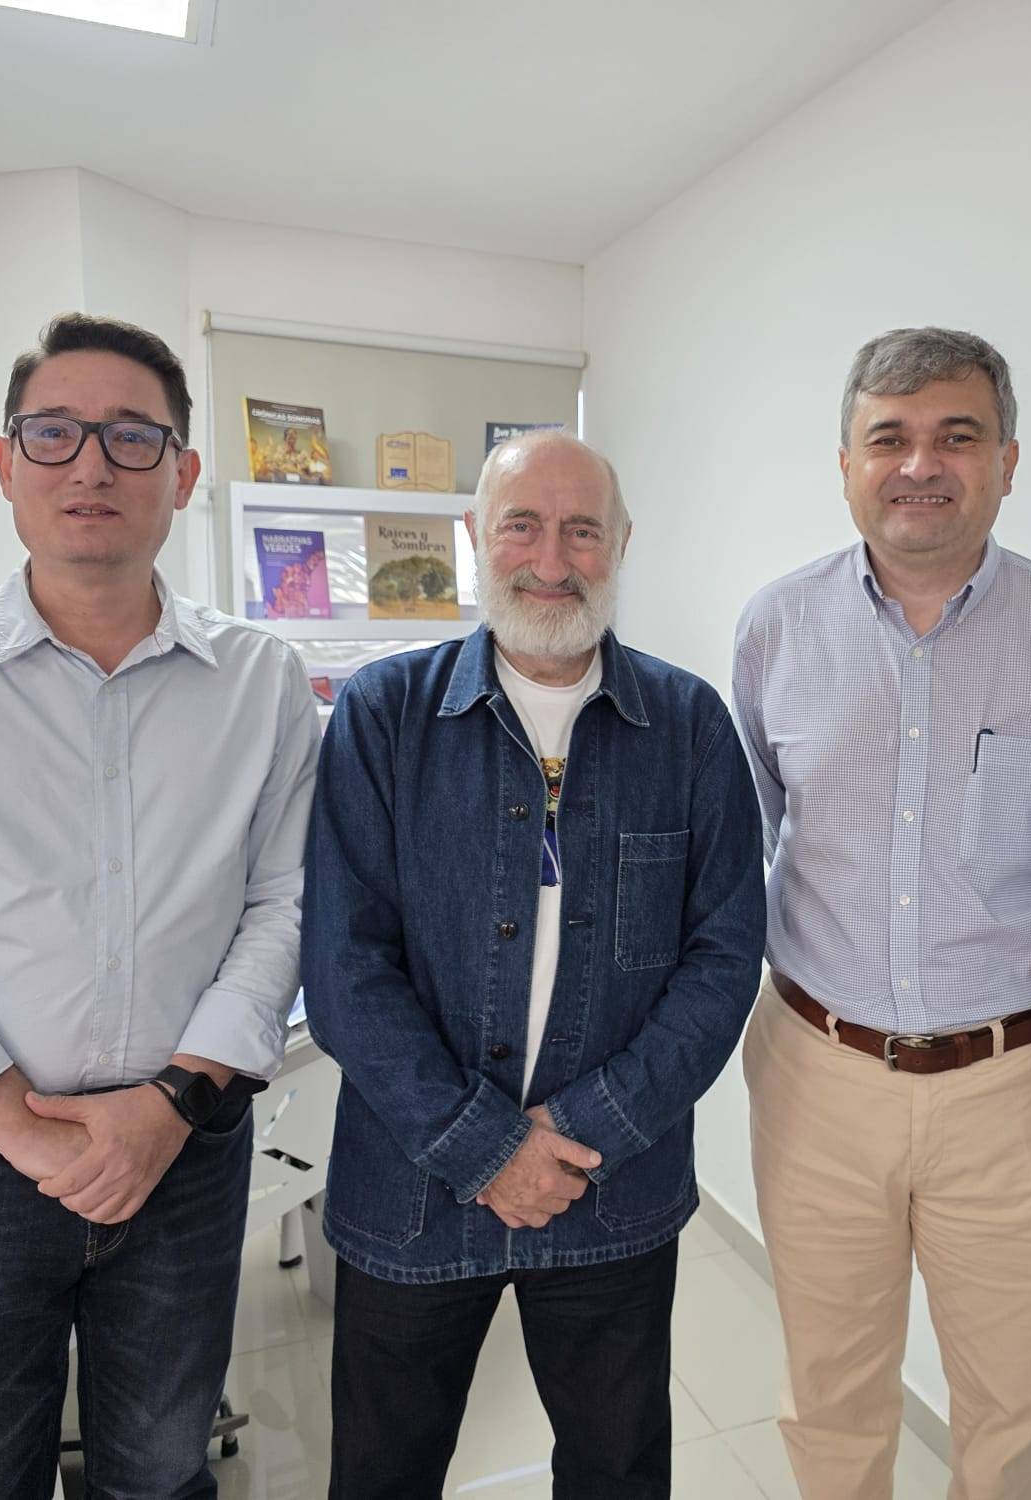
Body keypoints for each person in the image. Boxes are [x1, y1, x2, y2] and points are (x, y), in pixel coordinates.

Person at [0, 312, 319, 1497]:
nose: (91, 465)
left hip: (181, 1150)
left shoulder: (262, 680)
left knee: (163, 1466)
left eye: (133, 438)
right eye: (56, 432)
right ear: (5, 463)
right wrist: (26, 1133)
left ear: (183, 474)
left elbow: (284, 903)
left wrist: (172, 1104)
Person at [303, 430, 765, 1499]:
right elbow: (342, 964)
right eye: (520, 524)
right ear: (473, 539)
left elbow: (721, 959)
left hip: (610, 1195)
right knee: (382, 1473)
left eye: (581, 530)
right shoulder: (382, 716)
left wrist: (575, 1131)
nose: (549, 558)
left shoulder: (688, 725)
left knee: (615, 1474)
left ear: (620, 545)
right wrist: (483, 1147)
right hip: (410, 1195)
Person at [732, 327, 1031, 1497]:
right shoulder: (774, 630)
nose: (921, 464)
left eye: (955, 436)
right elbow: (742, 847)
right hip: (818, 1073)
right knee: (830, 1401)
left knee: (1007, 1419)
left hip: (1012, 1088)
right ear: (846, 464)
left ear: (1007, 460)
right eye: (888, 439)